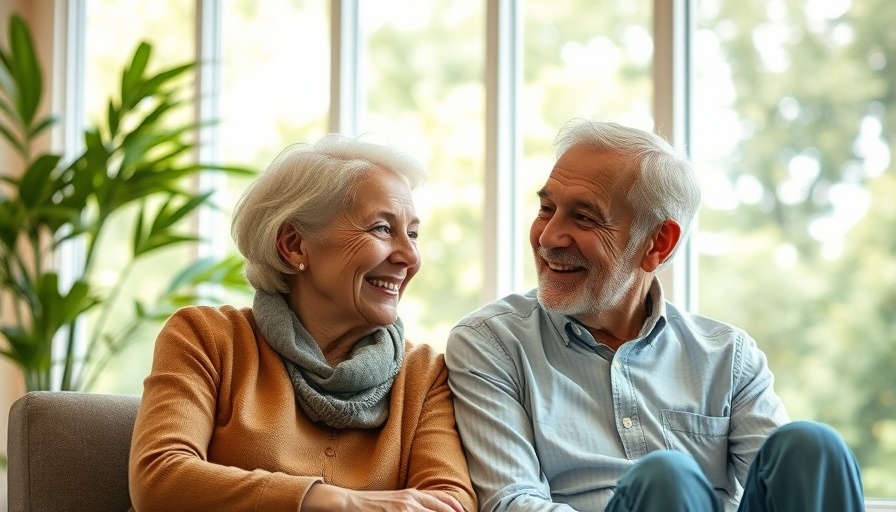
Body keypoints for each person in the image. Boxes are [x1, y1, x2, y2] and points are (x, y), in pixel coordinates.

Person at [444, 119, 864, 512]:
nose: (549, 236)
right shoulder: (492, 342)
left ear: (657, 243)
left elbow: (782, 491)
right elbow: (512, 501)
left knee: (813, 446)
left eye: (584, 217)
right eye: (546, 209)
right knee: (666, 479)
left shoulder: (727, 356)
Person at [129, 134, 476, 512]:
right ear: (293, 244)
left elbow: (450, 502)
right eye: (381, 228)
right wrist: (343, 503)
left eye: (413, 234)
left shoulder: (424, 375)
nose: (410, 256)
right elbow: (159, 479)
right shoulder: (207, 338)